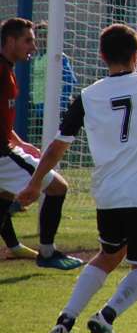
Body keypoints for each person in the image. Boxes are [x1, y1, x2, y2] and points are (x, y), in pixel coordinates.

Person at [17, 23, 137, 333]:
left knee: (108, 254)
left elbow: (58, 145)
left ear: (102, 56)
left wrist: (35, 184)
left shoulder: (88, 96)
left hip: (109, 194)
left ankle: (64, 321)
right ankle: (106, 316)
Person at [0, 17, 82, 269]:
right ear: (10, 40)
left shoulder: (8, 70)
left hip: (6, 148)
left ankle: (14, 247)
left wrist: (20, 143)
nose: (33, 47)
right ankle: (47, 253)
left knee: (4, 196)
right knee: (57, 187)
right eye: (28, 41)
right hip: (1, 154)